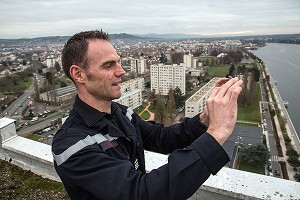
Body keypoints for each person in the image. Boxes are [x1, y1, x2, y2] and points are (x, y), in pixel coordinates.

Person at [52, 30, 243, 200]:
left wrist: (204, 119)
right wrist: (216, 133)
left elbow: (161, 138)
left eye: (119, 62)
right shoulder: (71, 145)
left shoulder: (121, 113)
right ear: (78, 74)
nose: (121, 71)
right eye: (109, 65)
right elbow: (139, 193)